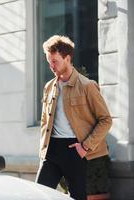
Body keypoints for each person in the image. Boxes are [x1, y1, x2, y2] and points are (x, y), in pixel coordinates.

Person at [36, 35, 112, 200]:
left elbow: (106, 120)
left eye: (55, 61)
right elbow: (44, 121)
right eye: (49, 61)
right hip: (52, 150)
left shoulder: (87, 86)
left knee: (77, 197)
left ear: (67, 58)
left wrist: (85, 147)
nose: (51, 66)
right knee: (38, 194)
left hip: (75, 150)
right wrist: (43, 149)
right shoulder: (49, 87)